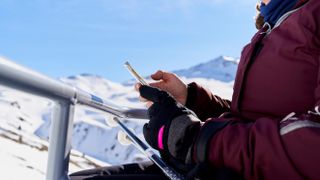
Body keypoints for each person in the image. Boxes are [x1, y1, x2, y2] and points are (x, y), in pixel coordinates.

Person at [70, 0, 320, 179]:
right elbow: (255, 116)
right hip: (230, 164)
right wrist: (192, 100)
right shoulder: (274, 24)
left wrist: (200, 140)